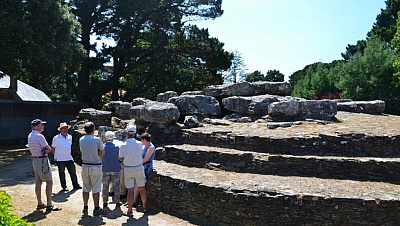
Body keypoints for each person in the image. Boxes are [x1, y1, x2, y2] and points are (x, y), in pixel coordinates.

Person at [27, 119, 62, 211]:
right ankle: (49, 204)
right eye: (42, 125)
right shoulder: (39, 136)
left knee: (38, 181)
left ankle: (40, 203)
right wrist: (47, 150)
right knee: (49, 181)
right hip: (42, 160)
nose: (43, 126)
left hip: (35, 160)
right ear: (38, 126)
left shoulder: (30, 135)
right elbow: (48, 149)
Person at [119, 125, 148, 217]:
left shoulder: (123, 145)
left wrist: (123, 161)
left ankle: (130, 211)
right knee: (142, 188)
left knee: (130, 190)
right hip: (139, 167)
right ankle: (145, 207)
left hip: (128, 168)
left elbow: (120, 158)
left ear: (127, 133)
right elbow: (141, 154)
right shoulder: (140, 144)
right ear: (135, 133)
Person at [79, 121, 106, 216]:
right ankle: (96, 208)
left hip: (85, 165)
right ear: (93, 129)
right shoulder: (97, 139)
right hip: (95, 165)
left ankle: (85, 207)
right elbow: (102, 152)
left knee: (85, 187)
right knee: (96, 188)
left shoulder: (81, 139)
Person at [51, 122, 82, 191]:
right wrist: (55, 156)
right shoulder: (56, 138)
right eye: (63, 128)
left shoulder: (70, 137)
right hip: (60, 159)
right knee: (62, 173)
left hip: (69, 157)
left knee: (73, 172)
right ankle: (64, 187)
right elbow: (53, 148)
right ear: (60, 130)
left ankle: (75, 185)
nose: (65, 130)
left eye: (66, 128)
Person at [133, 133, 155, 206]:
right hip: (141, 164)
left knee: (138, 183)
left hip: (146, 166)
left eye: (142, 140)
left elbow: (145, 159)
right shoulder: (144, 146)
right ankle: (133, 199)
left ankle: (134, 200)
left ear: (145, 140)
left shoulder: (151, 147)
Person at [102, 131, 122, 208]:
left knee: (105, 186)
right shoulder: (116, 147)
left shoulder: (102, 147)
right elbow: (120, 157)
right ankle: (117, 201)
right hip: (115, 168)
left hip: (105, 168)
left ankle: (105, 201)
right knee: (116, 186)